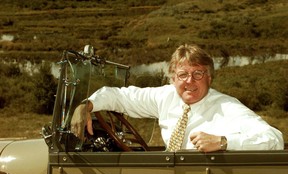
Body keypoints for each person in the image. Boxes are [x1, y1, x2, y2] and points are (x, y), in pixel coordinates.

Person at [71, 44, 284, 152]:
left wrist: (223, 142)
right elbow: (119, 96)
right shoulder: (165, 95)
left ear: (209, 77)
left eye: (198, 74)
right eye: (182, 75)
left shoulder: (226, 106)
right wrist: (86, 105)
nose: (189, 81)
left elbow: (274, 139)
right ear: (173, 79)